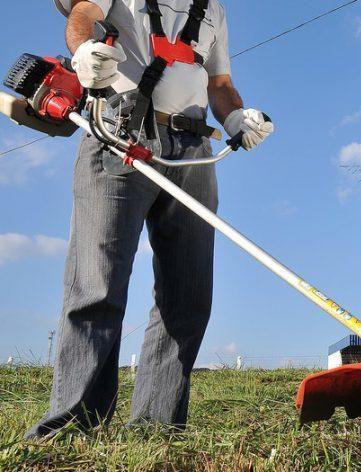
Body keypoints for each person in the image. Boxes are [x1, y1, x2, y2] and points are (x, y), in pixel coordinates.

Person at [26, 0, 273, 438]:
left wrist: (236, 114)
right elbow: (81, 14)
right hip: (121, 133)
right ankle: (74, 425)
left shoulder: (213, 8)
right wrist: (84, 50)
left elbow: (220, 81)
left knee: (188, 292)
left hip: (194, 151)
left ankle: (157, 426)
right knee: (97, 284)